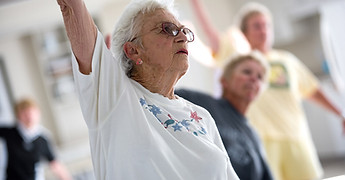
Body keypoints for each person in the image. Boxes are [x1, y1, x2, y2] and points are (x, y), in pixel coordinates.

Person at [56, 0, 239, 179]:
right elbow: (72, 6)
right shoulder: (116, 98)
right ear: (133, 50)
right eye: (168, 29)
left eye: (184, 31)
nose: (182, 37)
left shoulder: (202, 116)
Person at [189, 1, 345, 180]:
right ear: (244, 32)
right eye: (257, 26)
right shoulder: (239, 59)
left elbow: (313, 90)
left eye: (266, 26)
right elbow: (211, 35)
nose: (263, 31)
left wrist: (340, 113)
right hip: (262, 141)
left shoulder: (288, 60)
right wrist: (196, 4)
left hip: (297, 138)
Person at [176, 51, 273, 180]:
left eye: (260, 77)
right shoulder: (197, 102)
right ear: (224, 80)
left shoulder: (253, 136)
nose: (254, 78)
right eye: (247, 72)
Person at [0, 98, 71, 180]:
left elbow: (55, 164)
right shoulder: (8, 133)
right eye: (24, 113)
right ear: (18, 116)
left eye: (31, 112)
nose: (29, 116)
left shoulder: (42, 138)